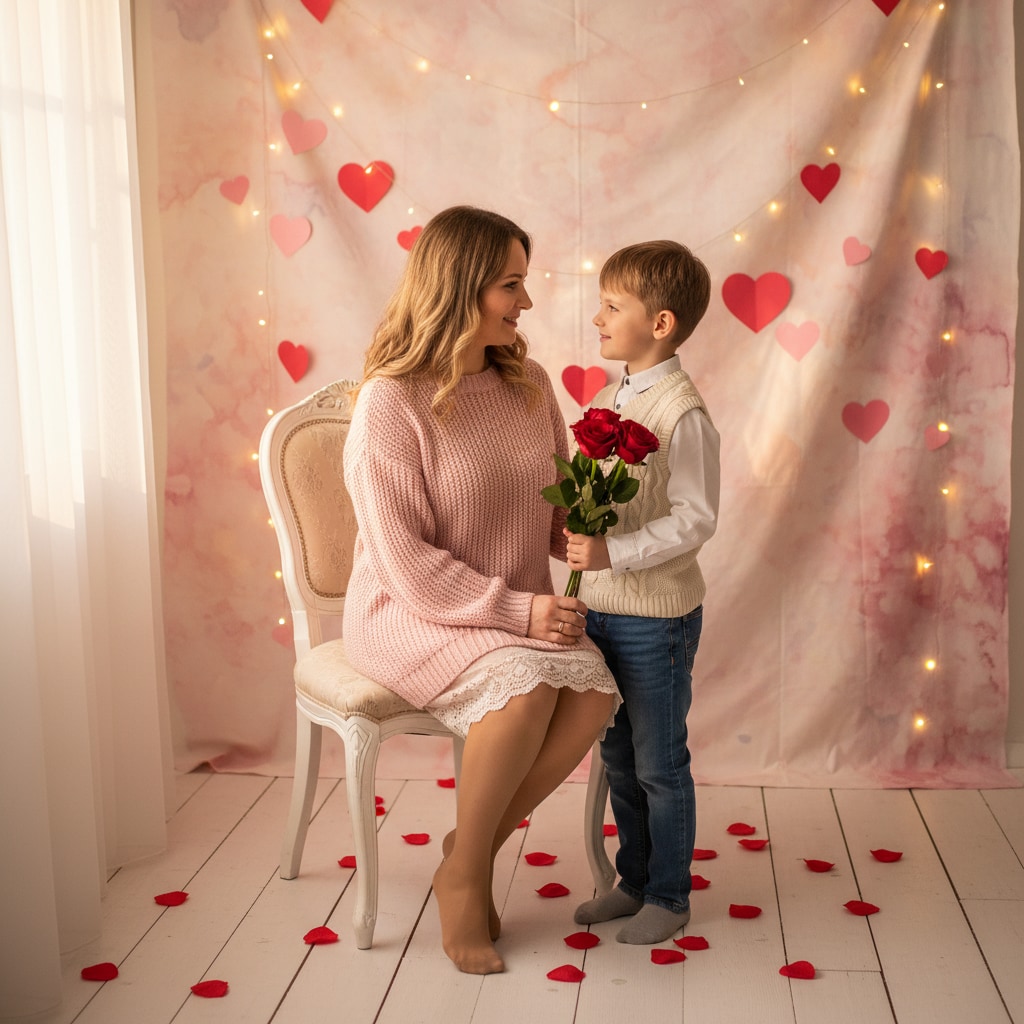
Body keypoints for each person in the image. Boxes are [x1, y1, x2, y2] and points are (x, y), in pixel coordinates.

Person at [342, 205, 620, 975]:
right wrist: (520, 610)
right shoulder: (390, 403)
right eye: (510, 284)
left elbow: (551, 507)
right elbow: (405, 563)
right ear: (459, 285)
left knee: (595, 692)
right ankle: (466, 883)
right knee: (526, 691)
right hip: (406, 610)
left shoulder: (528, 384)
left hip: (506, 607)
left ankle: (466, 853)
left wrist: (593, 525)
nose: (525, 303)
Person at [566, 240, 720, 944]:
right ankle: (633, 879)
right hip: (601, 609)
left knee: (660, 762)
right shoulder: (610, 396)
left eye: (612, 305)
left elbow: (694, 518)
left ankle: (669, 892)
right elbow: (601, 496)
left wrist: (613, 551)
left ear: (660, 324)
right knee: (619, 757)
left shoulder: (680, 411)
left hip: (654, 618)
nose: (596, 316)